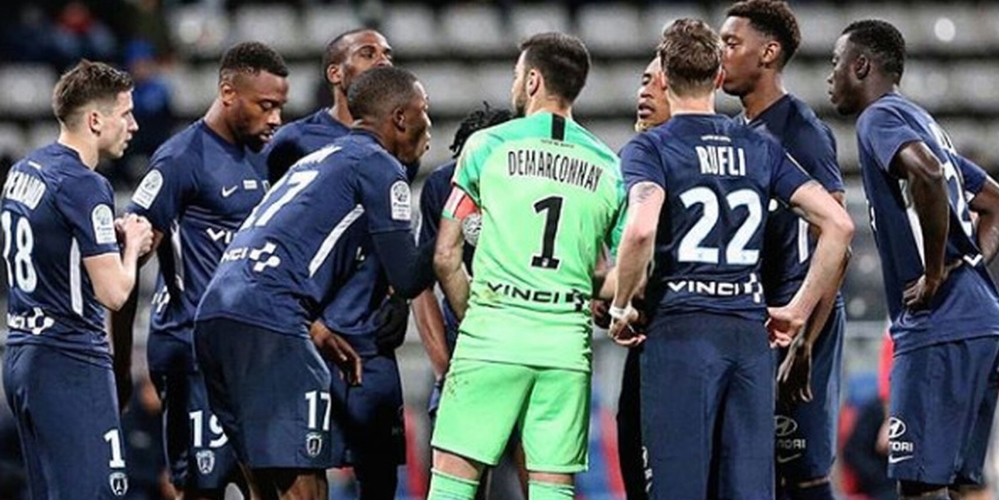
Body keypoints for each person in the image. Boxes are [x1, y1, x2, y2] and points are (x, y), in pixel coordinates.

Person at [609, 18, 853, 500]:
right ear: (719, 76)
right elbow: (839, 225)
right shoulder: (760, 146)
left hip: (681, 332)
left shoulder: (651, 146)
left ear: (665, 78)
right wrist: (797, 311)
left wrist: (621, 307)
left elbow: (639, 229)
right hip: (747, 337)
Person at [193, 66, 434, 500]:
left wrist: (313, 325)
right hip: (271, 322)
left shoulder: (317, 160)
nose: (429, 123)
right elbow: (406, 276)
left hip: (217, 314)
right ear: (400, 117)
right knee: (304, 492)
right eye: (424, 110)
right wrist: (452, 227)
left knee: (264, 492)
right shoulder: (379, 165)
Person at [429, 32, 625, 500]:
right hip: (564, 348)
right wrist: (579, 287)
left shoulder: (486, 146)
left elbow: (445, 255)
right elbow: (631, 270)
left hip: (492, 334)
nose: (515, 84)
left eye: (518, 75)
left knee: (452, 487)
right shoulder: (609, 165)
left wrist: (475, 316)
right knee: (552, 489)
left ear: (533, 80)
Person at [111, 41, 290, 500]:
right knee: (201, 488)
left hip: (255, 354)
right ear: (228, 93)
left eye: (280, 107)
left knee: (277, 486)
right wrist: (121, 361)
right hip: (192, 354)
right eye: (266, 106)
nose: (275, 118)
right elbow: (128, 259)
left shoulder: (271, 155)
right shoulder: (180, 160)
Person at [829, 19, 999, 500]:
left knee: (919, 486)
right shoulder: (925, 121)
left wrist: (933, 273)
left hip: (937, 327)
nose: (830, 76)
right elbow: (994, 203)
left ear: (861, 66)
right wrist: (967, 262)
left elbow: (925, 172)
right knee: (964, 486)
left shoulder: (878, 118)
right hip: (981, 321)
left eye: (836, 63)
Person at [262, 28, 413, 499]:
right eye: (368, 53)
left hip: (369, 336)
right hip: (307, 335)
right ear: (335, 72)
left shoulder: (396, 141)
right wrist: (306, 323)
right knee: (306, 473)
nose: (382, 60)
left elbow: (389, 233)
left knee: (381, 475)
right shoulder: (292, 143)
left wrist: (398, 296)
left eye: (388, 54)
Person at [1, 59, 154, 500]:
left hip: (21, 353)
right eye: (125, 114)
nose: (133, 125)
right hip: (70, 358)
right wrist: (133, 244)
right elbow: (115, 293)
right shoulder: (85, 185)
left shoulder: (24, 170)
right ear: (95, 120)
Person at [718, 2, 847, 498]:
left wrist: (806, 340)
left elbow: (836, 243)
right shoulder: (739, 132)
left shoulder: (800, 131)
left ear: (768, 53)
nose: (721, 54)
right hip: (761, 316)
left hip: (799, 320)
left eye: (732, 43)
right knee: (757, 468)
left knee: (801, 469)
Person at [413, 103, 526, 500]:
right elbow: (421, 284)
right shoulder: (442, 187)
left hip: (530, 348)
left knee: (539, 476)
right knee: (462, 484)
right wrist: (443, 366)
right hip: (467, 355)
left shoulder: (535, 187)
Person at [609, 54, 672, 500]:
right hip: (643, 342)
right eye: (642, 81)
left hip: (675, 337)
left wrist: (619, 301)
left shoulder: (670, 158)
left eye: (658, 84)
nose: (643, 92)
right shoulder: (630, 161)